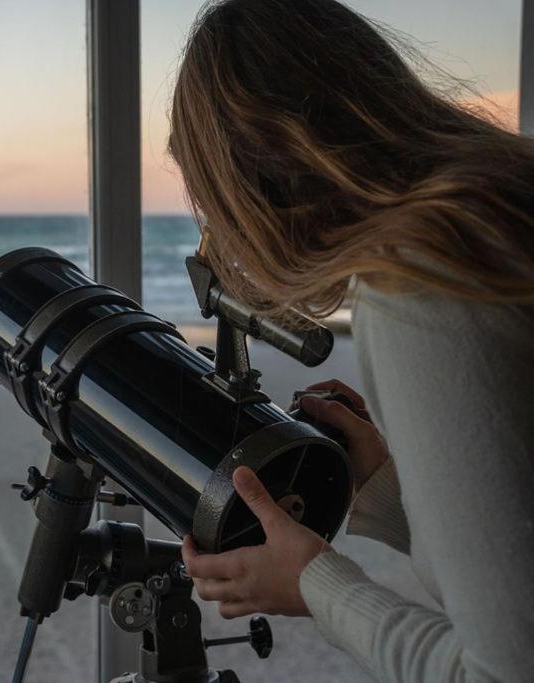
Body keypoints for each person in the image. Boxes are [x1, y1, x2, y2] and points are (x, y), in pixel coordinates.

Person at [167, 0, 534, 681]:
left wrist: (314, 583)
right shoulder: (500, 202)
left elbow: (503, 670)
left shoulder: (425, 271)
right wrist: (390, 485)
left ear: (258, 172)